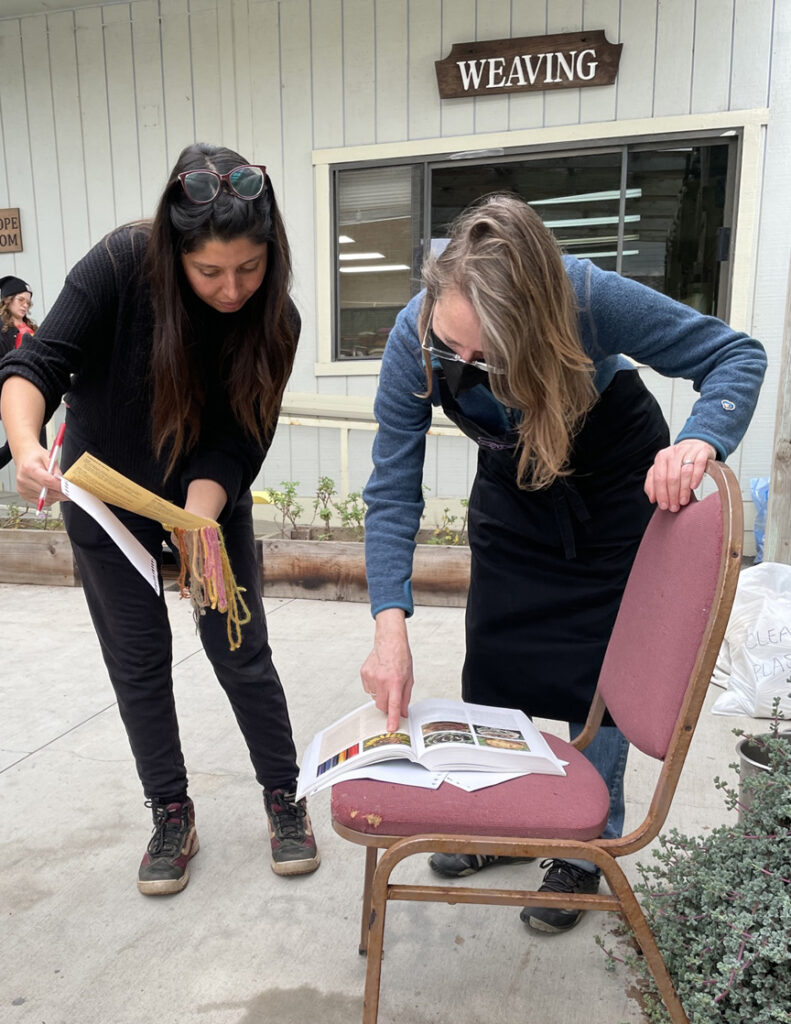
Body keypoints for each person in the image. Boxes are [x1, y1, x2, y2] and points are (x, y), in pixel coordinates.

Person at [360, 194, 766, 933]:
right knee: (494, 661)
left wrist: (699, 440)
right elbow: (391, 487)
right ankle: (505, 824)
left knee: (600, 678)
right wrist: (388, 625)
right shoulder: (412, 336)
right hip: (514, 498)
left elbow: (733, 354)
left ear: (542, 323)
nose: (470, 367)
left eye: (493, 355)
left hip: (614, 488)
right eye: (459, 350)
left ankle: (587, 843)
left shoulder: (583, 294)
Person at [0, 143, 321, 894]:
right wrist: (23, 445)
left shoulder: (276, 320)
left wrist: (196, 525)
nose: (232, 288)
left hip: (203, 503)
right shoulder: (118, 266)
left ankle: (284, 793)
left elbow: (240, 439)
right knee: (139, 663)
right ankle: (170, 810)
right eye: (209, 271)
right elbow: (36, 365)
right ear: (174, 250)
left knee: (238, 647)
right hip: (106, 498)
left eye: (249, 268)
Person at [0, 275, 40, 469]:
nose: (25, 305)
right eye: (20, 300)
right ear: (8, 300)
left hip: (33, 390)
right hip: (11, 391)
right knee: (17, 443)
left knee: (33, 441)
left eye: (28, 302)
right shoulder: (1, 328)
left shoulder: (31, 328)